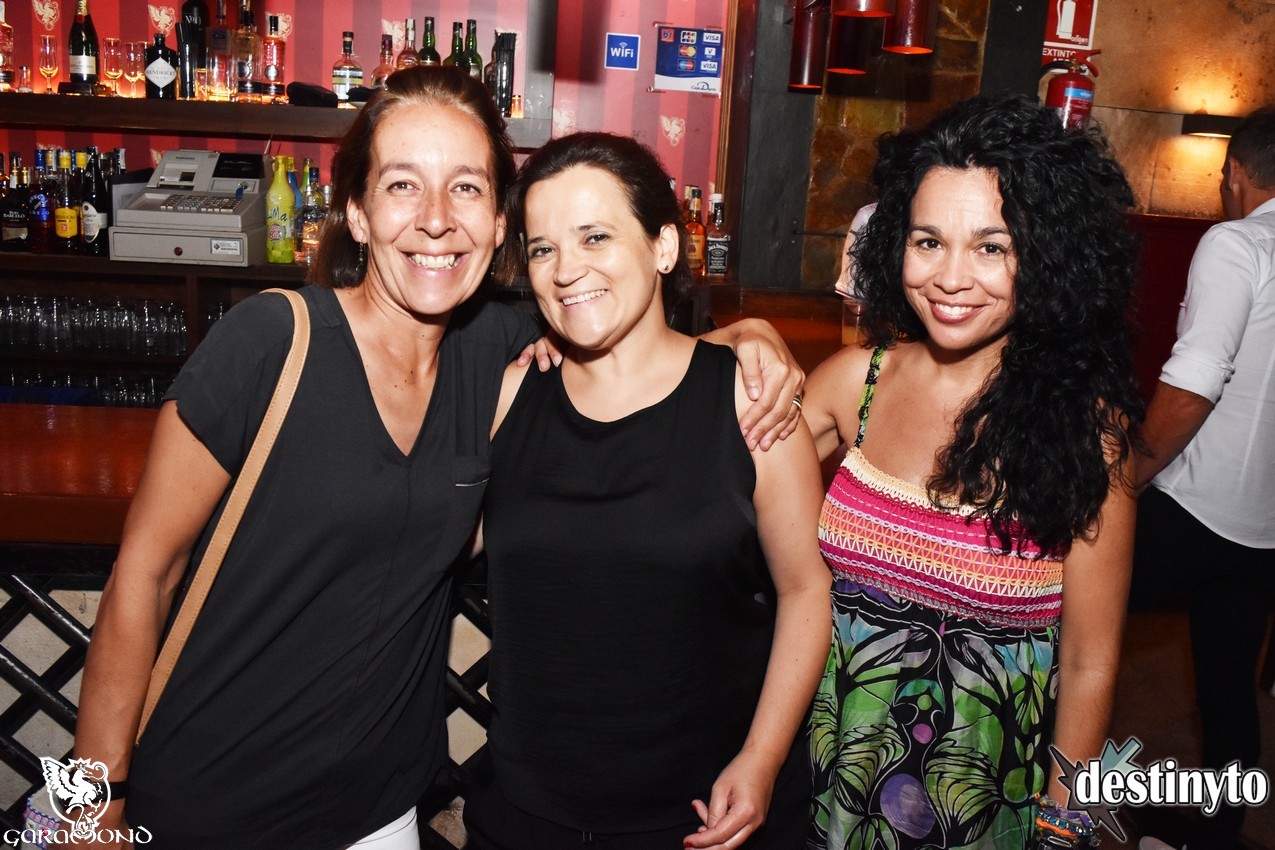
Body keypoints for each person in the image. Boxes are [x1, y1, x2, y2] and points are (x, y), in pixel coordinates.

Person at [71, 68, 804, 850]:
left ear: (496, 225)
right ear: (357, 213)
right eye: (401, 186)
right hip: (209, 799)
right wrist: (87, 802)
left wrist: (747, 337)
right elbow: (144, 573)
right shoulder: (268, 343)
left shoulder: (497, 353)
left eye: (465, 188)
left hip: (379, 810)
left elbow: (625, 333)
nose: (434, 220)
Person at [461, 133, 832, 850]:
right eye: (542, 249)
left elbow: (805, 589)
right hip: (527, 810)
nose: (567, 270)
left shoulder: (748, 400)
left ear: (663, 247)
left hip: (699, 812)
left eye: (595, 236)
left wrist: (762, 759)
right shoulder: (508, 396)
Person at [801, 95, 1142, 849]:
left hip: (986, 803)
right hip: (830, 778)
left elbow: (1089, 663)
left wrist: (1064, 829)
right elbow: (716, 454)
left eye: (991, 247)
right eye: (928, 241)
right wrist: (743, 339)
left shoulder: (1085, 437)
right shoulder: (855, 384)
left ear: (1046, 255)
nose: (951, 278)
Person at [1131, 106, 1275, 850]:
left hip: (1189, 508)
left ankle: (1035, 807)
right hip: (1266, 527)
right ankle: (1217, 840)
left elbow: (1192, 385)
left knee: (1062, 632)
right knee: (1227, 689)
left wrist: (1126, 474)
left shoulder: (1235, 241)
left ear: (1235, 175)